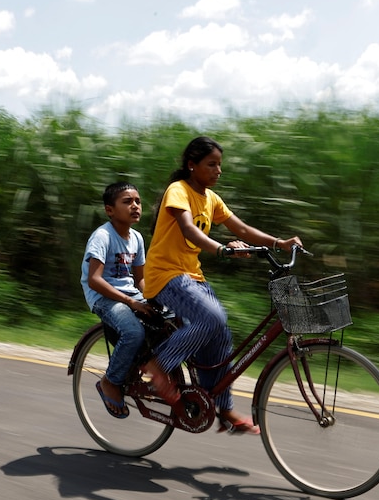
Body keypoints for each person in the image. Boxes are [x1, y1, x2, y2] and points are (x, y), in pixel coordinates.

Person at [143, 136, 303, 434]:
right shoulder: (178, 191)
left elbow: (240, 228)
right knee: (213, 317)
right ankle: (158, 366)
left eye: (220, 165)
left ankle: (222, 407)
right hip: (164, 275)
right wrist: (220, 248)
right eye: (211, 164)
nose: (218, 170)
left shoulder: (211, 198)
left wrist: (279, 243)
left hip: (191, 276)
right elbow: (188, 228)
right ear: (192, 166)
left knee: (220, 332)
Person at [81, 182, 154, 418]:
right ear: (109, 210)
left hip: (129, 294)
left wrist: (152, 299)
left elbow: (140, 280)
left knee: (169, 320)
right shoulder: (102, 237)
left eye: (138, 201)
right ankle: (110, 381)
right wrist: (132, 302)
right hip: (104, 297)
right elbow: (94, 280)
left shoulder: (137, 238)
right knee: (133, 333)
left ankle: (142, 374)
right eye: (127, 201)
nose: (135, 206)